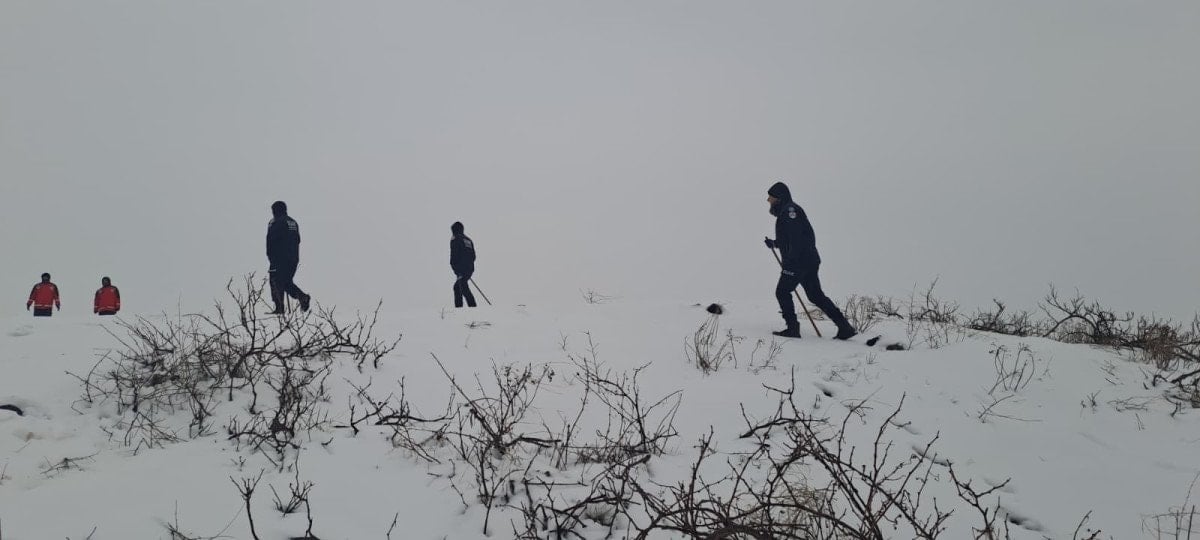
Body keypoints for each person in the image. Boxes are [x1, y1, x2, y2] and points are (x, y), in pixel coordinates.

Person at [763, 182, 857, 340]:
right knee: (815, 295)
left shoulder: (790, 212)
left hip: (799, 262)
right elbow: (792, 239)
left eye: (770, 197)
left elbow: (798, 240)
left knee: (783, 291)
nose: (768, 200)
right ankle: (844, 327)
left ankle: (792, 329)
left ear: (778, 198)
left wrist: (791, 262)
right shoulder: (787, 212)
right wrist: (775, 243)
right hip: (808, 260)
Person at [266, 201, 311, 315]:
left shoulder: (275, 222)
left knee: (275, 281)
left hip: (279, 258)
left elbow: (271, 241)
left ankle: (279, 307)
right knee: (285, 281)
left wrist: (271, 257)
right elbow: (298, 240)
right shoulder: (293, 222)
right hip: (293, 258)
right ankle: (302, 297)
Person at [450, 221, 477, 308]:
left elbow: (454, 255)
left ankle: (471, 308)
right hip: (469, 268)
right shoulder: (468, 240)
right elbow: (473, 256)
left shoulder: (455, 239)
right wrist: (468, 266)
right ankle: (464, 309)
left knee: (462, 287)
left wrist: (456, 268)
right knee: (458, 287)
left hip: (461, 269)